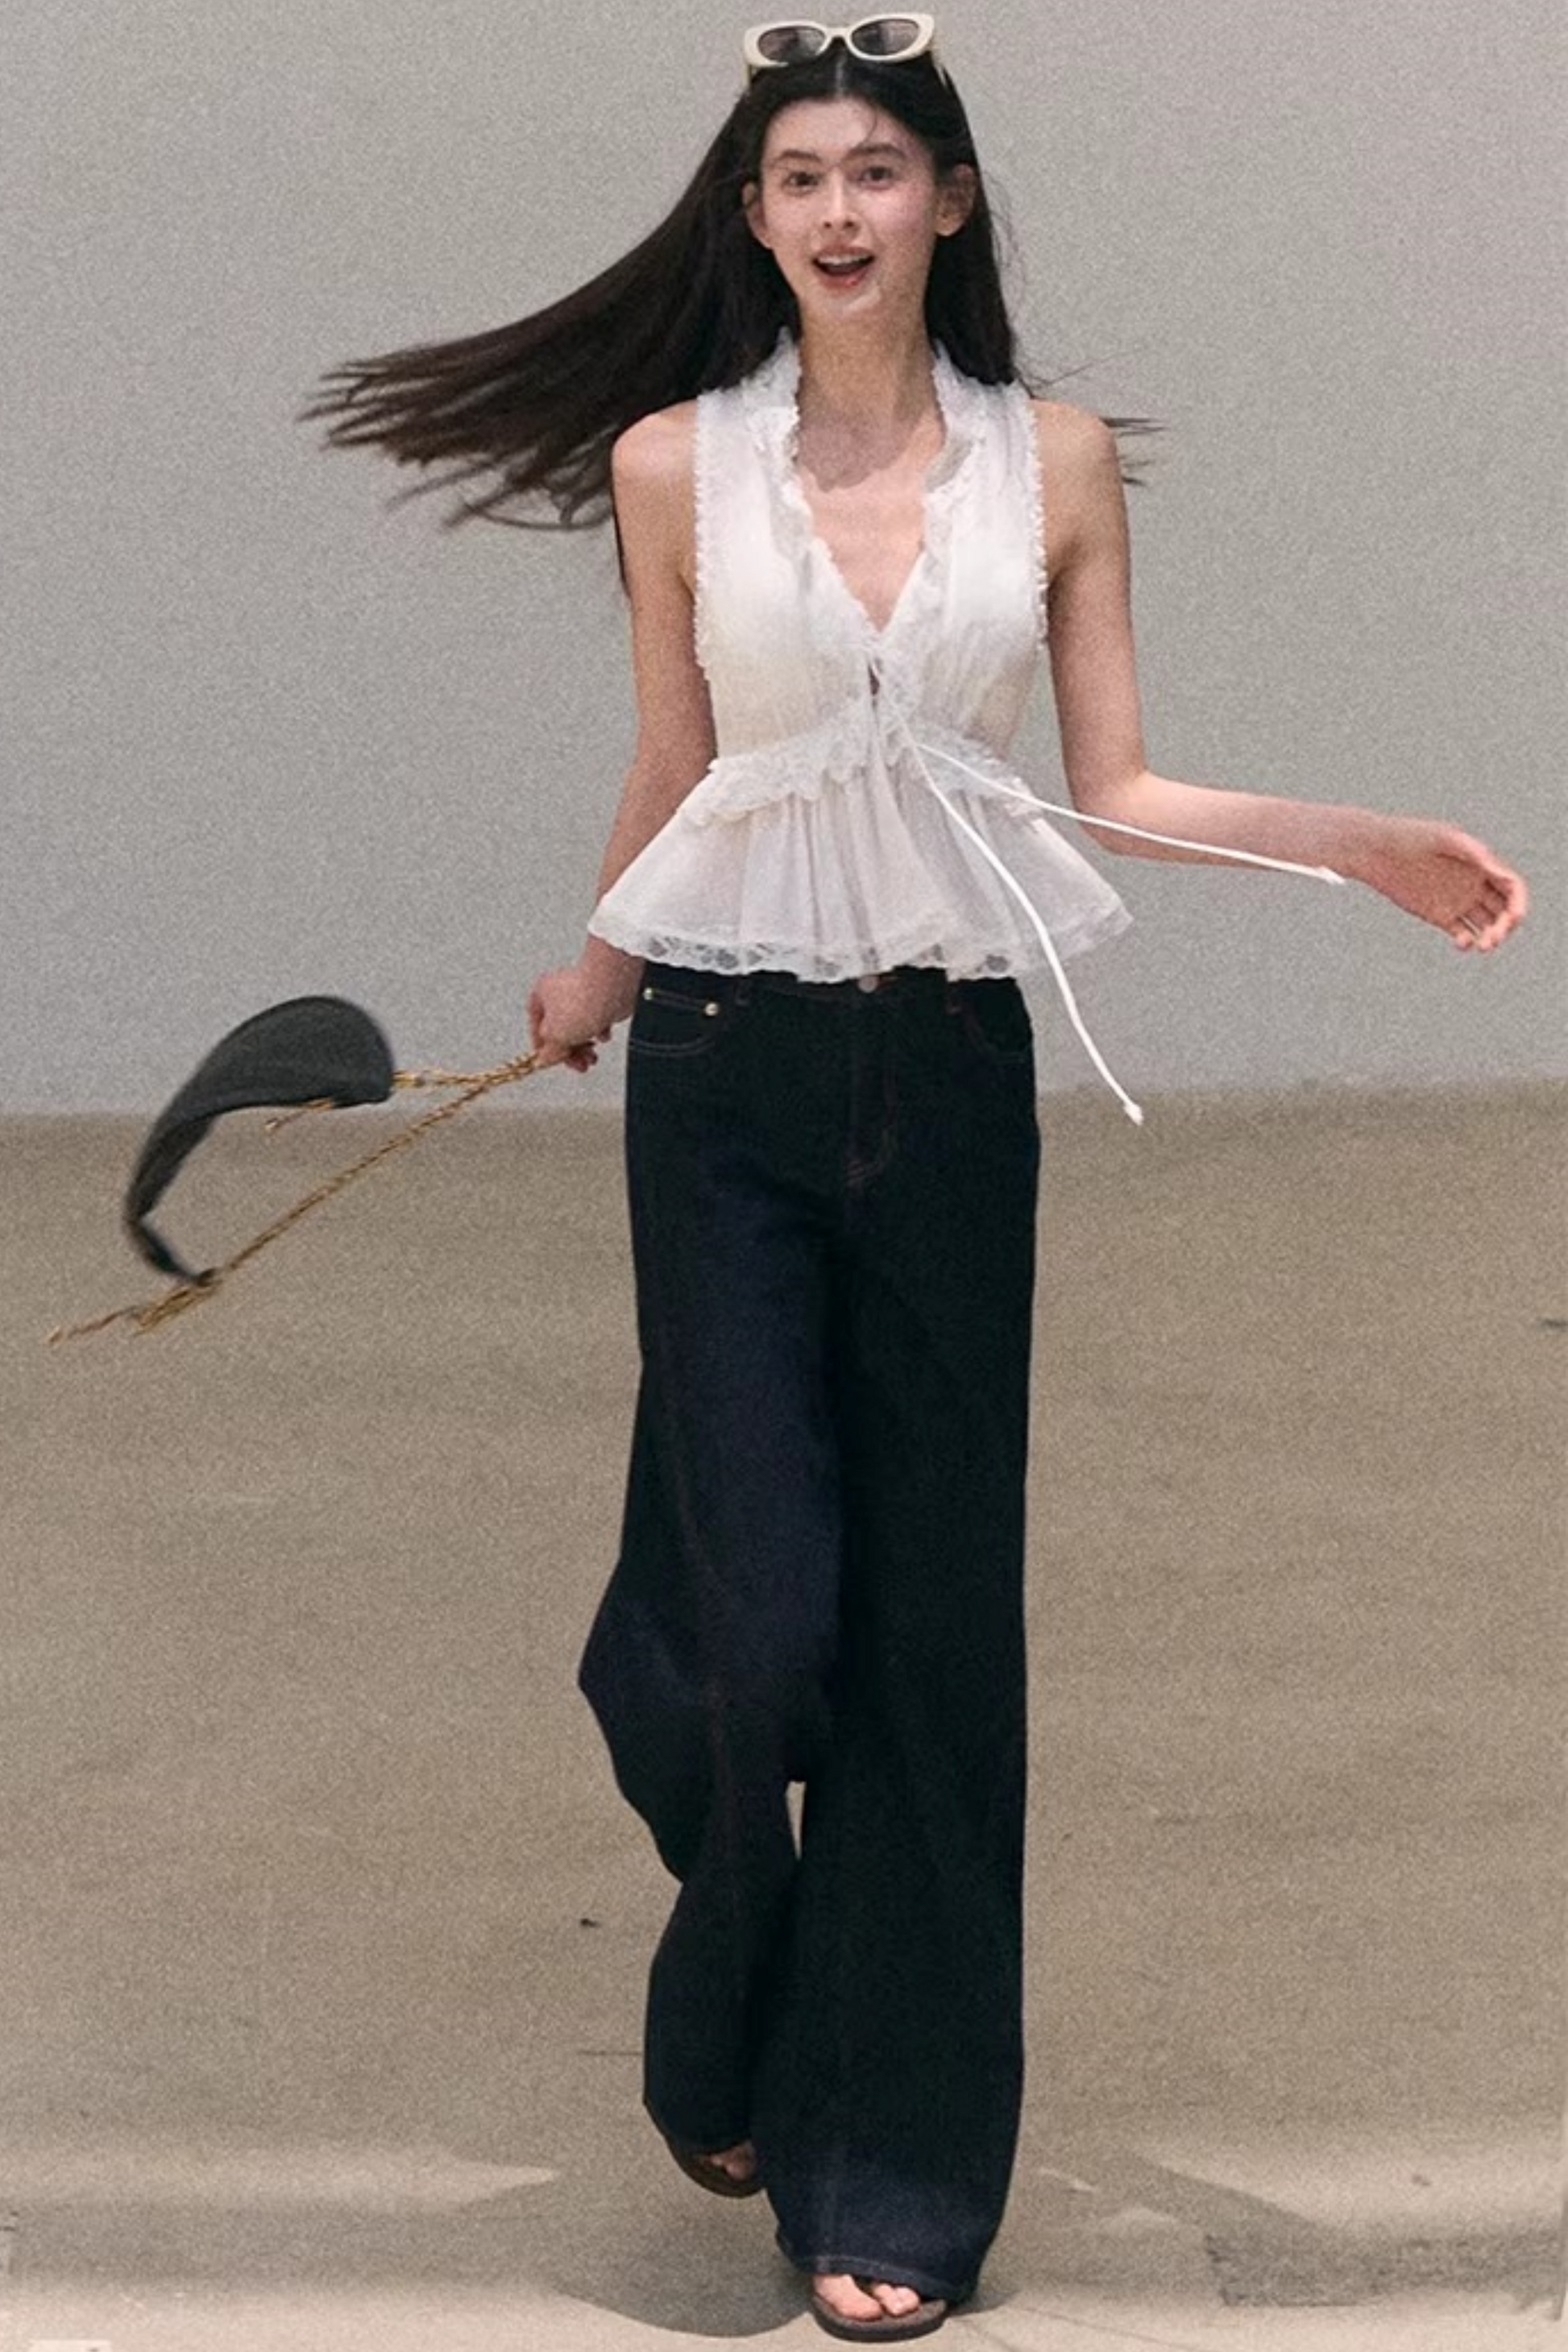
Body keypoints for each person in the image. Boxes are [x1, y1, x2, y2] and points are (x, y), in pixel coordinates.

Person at [306, 16, 1527, 2340]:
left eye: (877, 169)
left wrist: (1363, 846)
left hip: (952, 1076)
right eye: (800, 178)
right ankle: (734, 2000)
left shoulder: (1049, 463)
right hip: (724, 1067)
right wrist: (595, 966)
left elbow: (1118, 786)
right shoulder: (674, 464)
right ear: (755, 217)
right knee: (746, 1628)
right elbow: (680, 753)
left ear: (948, 200)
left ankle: (889, 2172)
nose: (840, 210)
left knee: (932, 1645)